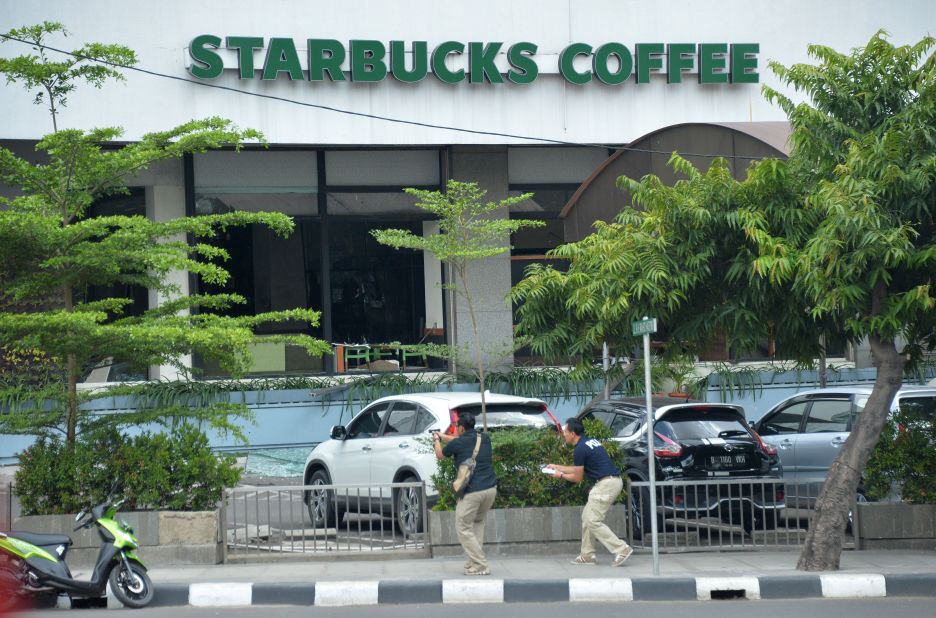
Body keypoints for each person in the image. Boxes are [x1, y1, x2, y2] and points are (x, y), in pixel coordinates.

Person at [545, 417, 633, 566]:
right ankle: (587, 555)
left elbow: (578, 477)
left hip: (606, 484)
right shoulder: (588, 443)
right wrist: (557, 467)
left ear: (573, 433)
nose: (563, 434)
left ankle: (621, 549)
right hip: (611, 481)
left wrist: (559, 475)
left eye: (565, 431)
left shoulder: (579, 449)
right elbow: (579, 469)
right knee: (587, 517)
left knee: (592, 520)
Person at [433, 413, 497, 576]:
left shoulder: (459, 442)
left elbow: (440, 455)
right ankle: (474, 562)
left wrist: (436, 440)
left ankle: (481, 564)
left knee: (462, 527)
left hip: (472, 492)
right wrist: (443, 436)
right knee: (477, 523)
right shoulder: (484, 437)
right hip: (490, 489)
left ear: (461, 428)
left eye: (457, 428)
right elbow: (458, 442)